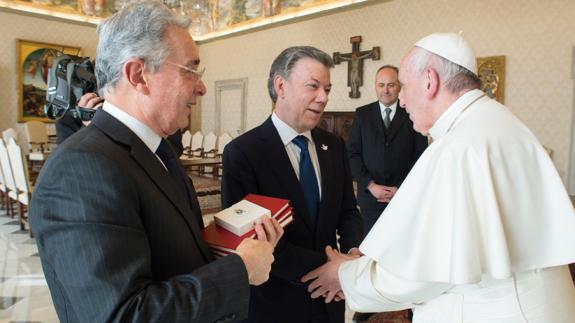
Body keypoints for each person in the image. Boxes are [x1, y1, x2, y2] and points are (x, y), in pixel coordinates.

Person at [29, 2, 283, 322]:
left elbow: (171, 255)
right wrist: (241, 269)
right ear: (139, 75)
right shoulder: (80, 169)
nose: (202, 87)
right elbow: (124, 315)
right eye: (191, 71)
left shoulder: (157, 151)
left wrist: (231, 245)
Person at [302, 33, 575, 322]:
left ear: (430, 81)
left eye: (404, 85)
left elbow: (427, 271)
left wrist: (345, 276)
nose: (401, 99)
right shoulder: (499, 121)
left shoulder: (458, 147)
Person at [221, 46, 363, 323]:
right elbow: (250, 237)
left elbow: (348, 210)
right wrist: (332, 268)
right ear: (280, 86)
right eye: (313, 86)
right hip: (275, 301)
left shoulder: (333, 146)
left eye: (327, 89)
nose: (323, 98)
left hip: (329, 300)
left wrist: (352, 254)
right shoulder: (243, 152)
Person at [347, 65, 427, 235]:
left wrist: (400, 188)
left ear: (399, 86)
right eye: (381, 85)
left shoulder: (413, 113)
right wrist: (370, 185)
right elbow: (353, 154)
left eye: (391, 85)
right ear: (375, 86)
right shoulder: (362, 114)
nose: (385, 90)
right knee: (370, 249)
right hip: (370, 198)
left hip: (403, 197)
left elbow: (421, 156)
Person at [56, 93, 185, 156]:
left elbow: (175, 150)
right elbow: (69, 160)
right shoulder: (68, 117)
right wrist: (94, 126)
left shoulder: (154, 110)